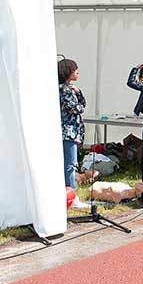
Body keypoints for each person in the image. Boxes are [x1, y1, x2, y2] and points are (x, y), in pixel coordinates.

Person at [58, 58, 89, 209]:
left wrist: (78, 93)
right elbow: (76, 108)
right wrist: (80, 102)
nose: (77, 72)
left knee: (68, 164)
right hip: (68, 132)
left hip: (68, 131)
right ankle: (72, 196)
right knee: (70, 165)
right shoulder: (64, 90)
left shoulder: (67, 89)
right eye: (74, 69)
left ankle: (68, 194)